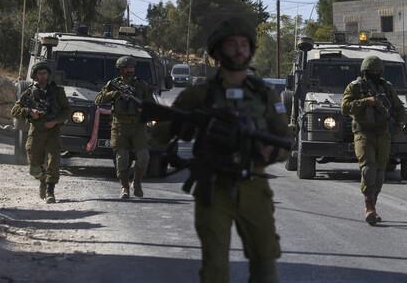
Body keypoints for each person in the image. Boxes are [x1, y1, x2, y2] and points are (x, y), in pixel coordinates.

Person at [152, 17, 291, 283]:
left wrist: (269, 152)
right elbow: (160, 135)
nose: (239, 50)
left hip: (253, 186)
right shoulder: (199, 94)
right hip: (213, 187)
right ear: (217, 51)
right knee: (215, 269)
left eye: (244, 45)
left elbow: (285, 140)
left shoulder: (264, 94)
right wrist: (186, 125)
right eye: (231, 44)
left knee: (266, 266)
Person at [341, 55, 405, 225]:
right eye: (371, 72)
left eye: (377, 71)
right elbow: (345, 108)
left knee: (380, 173)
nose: (375, 74)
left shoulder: (386, 87)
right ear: (365, 72)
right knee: (368, 169)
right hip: (363, 133)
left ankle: (373, 206)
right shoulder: (355, 87)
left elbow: (399, 108)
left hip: (383, 133)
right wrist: (365, 102)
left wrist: (399, 124)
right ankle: (369, 207)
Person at [11, 61, 71, 203]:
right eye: (39, 73)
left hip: (52, 131)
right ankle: (43, 180)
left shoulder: (58, 91)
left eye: (45, 73)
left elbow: (67, 110)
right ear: (35, 75)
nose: (42, 76)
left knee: (53, 161)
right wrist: (29, 112)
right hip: (36, 130)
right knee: (33, 166)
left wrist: (55, 121)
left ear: (49, 75)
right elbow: (15, 110)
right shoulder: (29, 92)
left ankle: (50, 191)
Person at [95, 56, 153, 199]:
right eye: (126, 68)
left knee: (144, 157)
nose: (130, 70)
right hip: (119, 125)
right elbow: (98, 100)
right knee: (122, 159)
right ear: (120, 69)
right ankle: (124, 187)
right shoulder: (113, 84)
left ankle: (137, 182)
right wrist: (113, 94)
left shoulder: (141, 85)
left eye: (132, 68)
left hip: (138, 126)